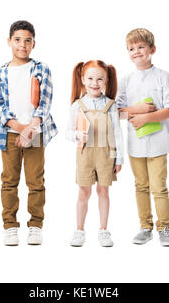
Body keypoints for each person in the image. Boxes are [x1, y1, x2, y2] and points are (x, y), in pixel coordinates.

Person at [0, 20, 57, 246]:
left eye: (27, 41)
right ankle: (10, 226)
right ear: (9, 42)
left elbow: (45, 102)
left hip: (36, 132)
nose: (22, 45)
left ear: (34, 44)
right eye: (18, 40)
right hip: (10, 134)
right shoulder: (0, 72)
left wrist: (31, 129)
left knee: (35, 181)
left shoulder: (41, 68)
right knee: (9, 181)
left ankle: (35, 225)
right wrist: (20, 128)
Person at [116, 28, 169, 247]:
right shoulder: (125, 81)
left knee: (159, 187)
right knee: (140, 185)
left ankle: (164, 228)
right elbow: (116, 111)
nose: (136, 52)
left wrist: (146, 117)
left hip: (158, 142)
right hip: (135, 144)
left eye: (141, 47)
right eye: (131, 48)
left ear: (152, 49)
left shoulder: (164, 77)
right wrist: (138, 110)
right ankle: (145, 227)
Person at [66, 60, 124, 247]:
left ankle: (103, 230)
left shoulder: (111, 105)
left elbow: (117, 133)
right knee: (83, 191)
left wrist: (119, 158)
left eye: (100, 79)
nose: (94, 83)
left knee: (103, 191)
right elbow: (67, 131)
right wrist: (77, 134)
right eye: (90, 78)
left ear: (106, 80)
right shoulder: (77, 105)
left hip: (106, 155)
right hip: (85, 154)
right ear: (83, 79)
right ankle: (79, 230)